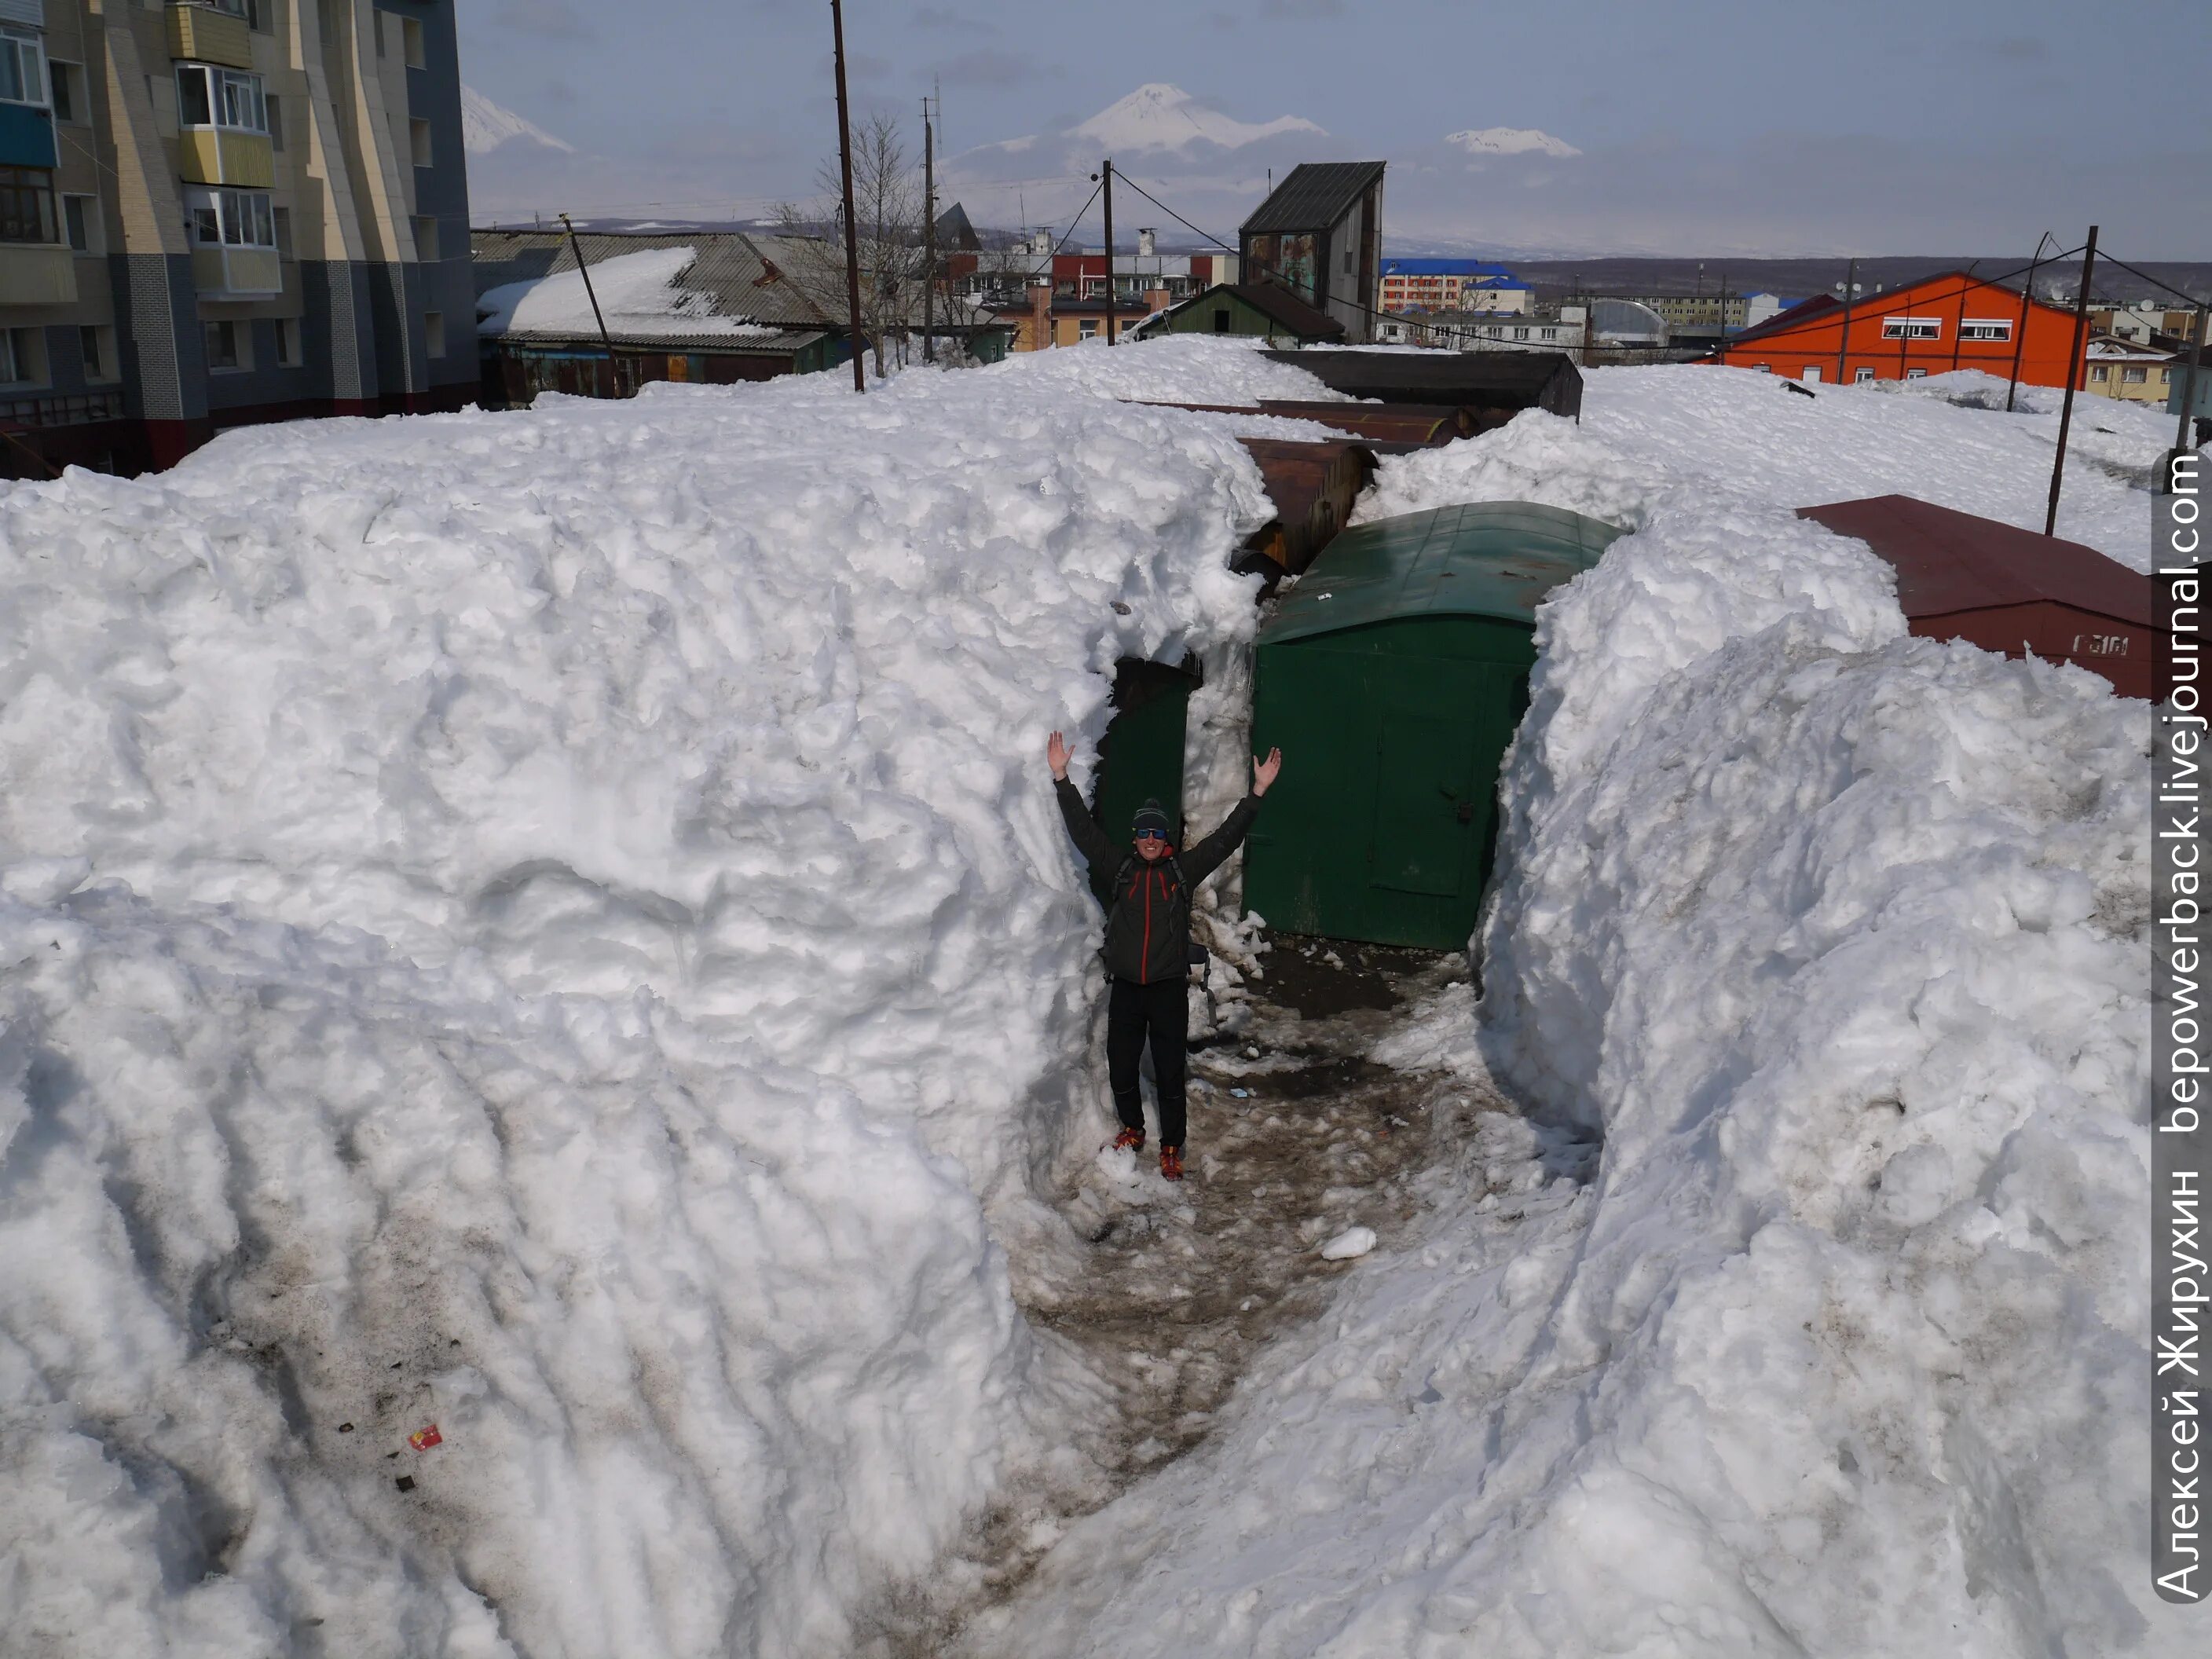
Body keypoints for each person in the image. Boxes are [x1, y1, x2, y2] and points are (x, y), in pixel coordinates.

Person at [1048, 731, 1283, 1181]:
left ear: (1166, 837)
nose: (1151, 839)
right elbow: (1083, 831)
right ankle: (1133, 1128)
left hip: (1168, 989)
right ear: (1135, 837)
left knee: (1172, 1073)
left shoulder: (1182, 872)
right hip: (1128, 991)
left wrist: (1257, 793)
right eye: (1144, 832)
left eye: (1158, 832)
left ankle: (1172, 1145)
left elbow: (1225, 839)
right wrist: (1061, 777)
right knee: (1121, 1065)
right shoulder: (1120, 869)